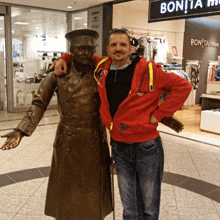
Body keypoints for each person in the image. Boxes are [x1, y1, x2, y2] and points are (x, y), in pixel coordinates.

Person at [55, 28, 192, 220]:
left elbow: (184, 86)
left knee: (149, 206)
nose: (118, 49)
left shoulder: (149, 70)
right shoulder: (102, 67)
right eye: (113, 45)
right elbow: (81, 54)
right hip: (119, 146)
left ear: (130, 48)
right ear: (108, 49)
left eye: (123, 45)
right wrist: (64, 57)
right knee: (129, 206)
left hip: (147, 148)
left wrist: (159, 115)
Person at [1, 29, 113, 220]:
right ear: (72, 50)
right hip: (68, 139)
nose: (85, 53)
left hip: (95, 137)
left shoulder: (102, 73)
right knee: (67, 190)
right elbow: (38, 103)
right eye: (80, 49)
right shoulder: (57, 75)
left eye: (89, 48)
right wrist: (21, 129)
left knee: (93, 190)